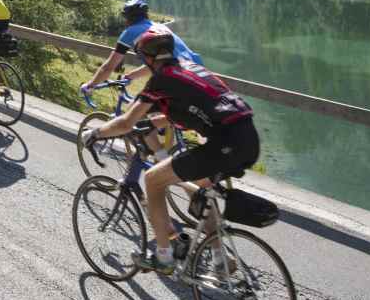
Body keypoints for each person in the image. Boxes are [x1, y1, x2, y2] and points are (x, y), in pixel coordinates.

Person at [82, 25, 259, 275]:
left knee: (154, 179)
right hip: (247, 139)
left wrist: (96, 133)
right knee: (200, 189)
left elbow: (125, 122)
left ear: (148, 59)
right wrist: (152, 123)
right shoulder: (192, 69)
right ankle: (221, 259)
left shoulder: (161, 80)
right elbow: (195, 107)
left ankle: (164, 257)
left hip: (223, 144)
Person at [82, 0, 204, 157]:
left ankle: (160, 160)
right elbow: (160, 61)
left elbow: (109, 67)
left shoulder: (130, 32)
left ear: (127, 19)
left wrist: (90, 85)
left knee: (134, 115)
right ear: (145, 14)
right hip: (198, 75)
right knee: (163, 116)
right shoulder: (160, 27)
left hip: (174, 79)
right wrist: (132, 75)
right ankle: (164, 149)